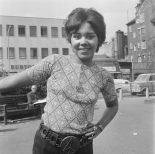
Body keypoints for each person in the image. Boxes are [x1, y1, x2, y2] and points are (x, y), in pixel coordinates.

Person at [0, 8, 118, 154]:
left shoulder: (104, 76)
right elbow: (15, 80)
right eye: (77, 36)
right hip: (46, 145)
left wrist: (100, 126)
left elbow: (113, 106)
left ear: (99, 39)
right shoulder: (54, 62)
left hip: (82, 148)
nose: (83, 42)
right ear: (70, 39)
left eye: (90, 36)